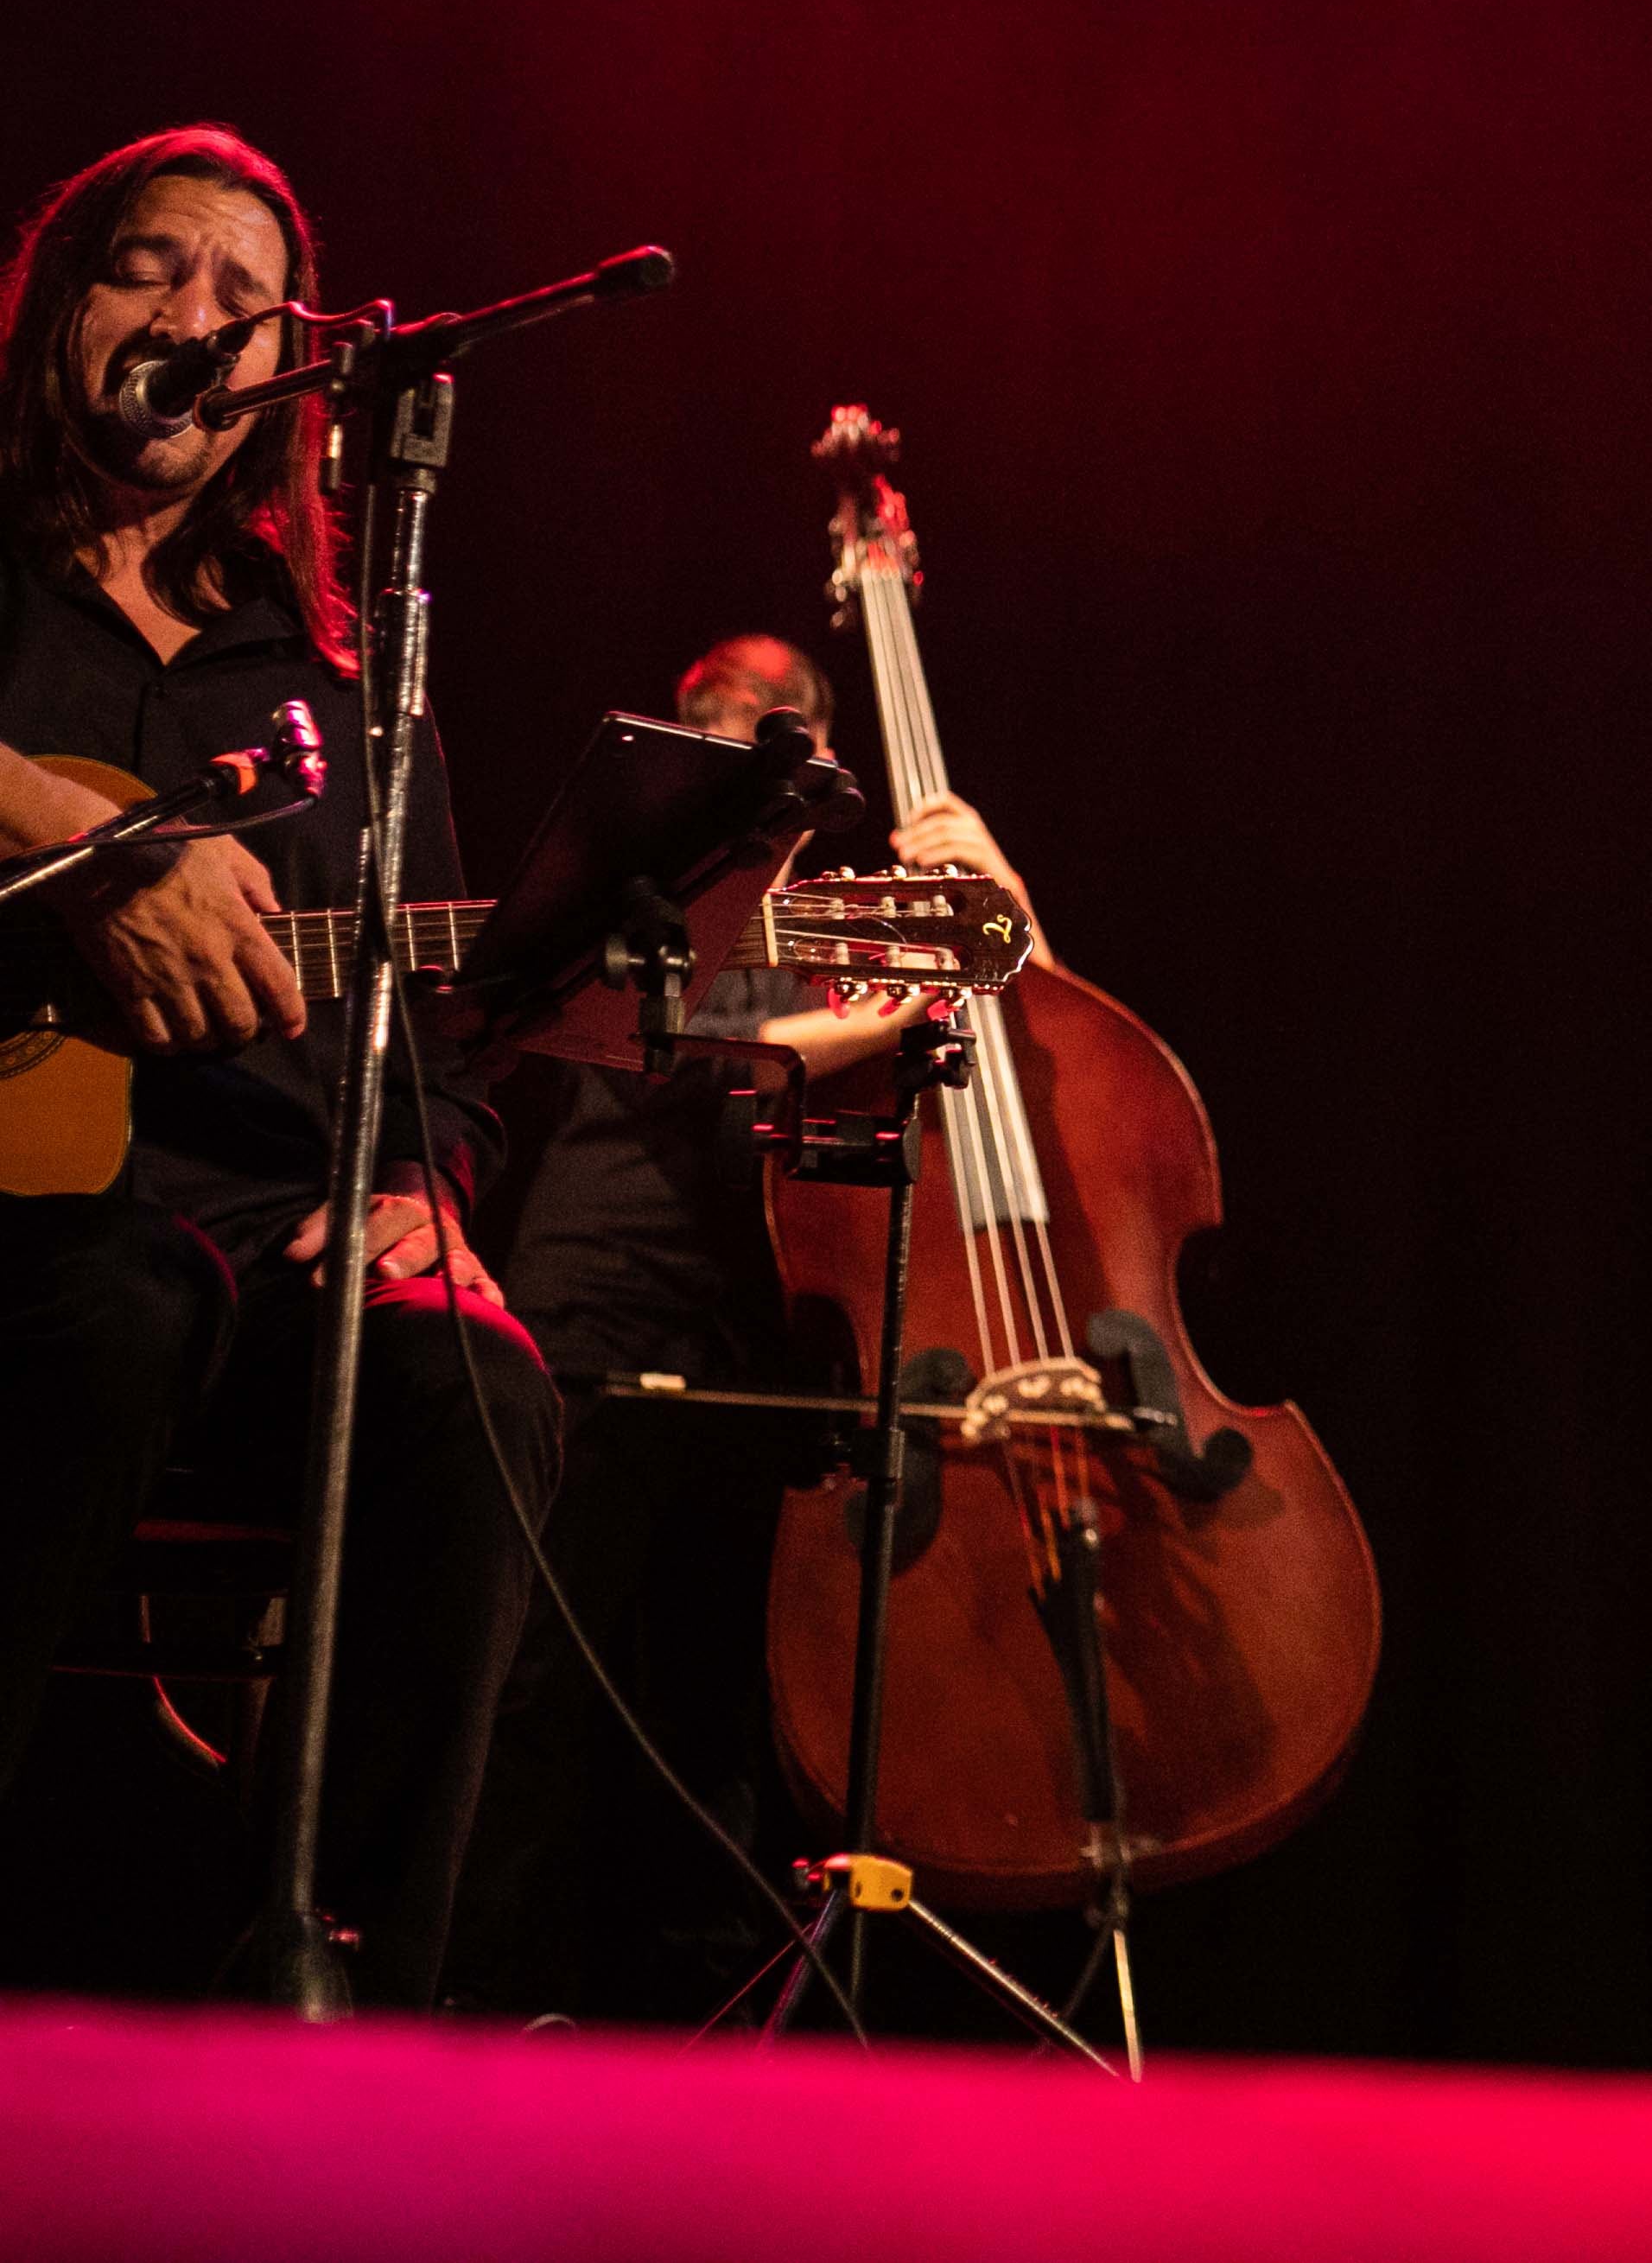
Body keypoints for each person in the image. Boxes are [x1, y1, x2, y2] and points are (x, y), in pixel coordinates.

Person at [0, 127, 558, 2005]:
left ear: (287, 379)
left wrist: (428, 1186)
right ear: (59, 305)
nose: (197, 316)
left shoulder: (335, 686)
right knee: (113, 1304)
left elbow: (440, 1038)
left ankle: (339, 2009)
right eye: (150, 266)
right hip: (51, 1250)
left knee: (478, 1386)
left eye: (247, 301)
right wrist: (98, 858)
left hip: (267, 1249)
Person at [448, 635, 1045, 2018]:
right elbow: (697, 1048)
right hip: (596, 1314)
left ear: (819, 752)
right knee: (540, 1679)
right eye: (714, 727)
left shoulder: (838, 919)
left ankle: (701, 2030)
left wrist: (1004, 909)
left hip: (762, 1342)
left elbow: (1021, 1027)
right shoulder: (644, 898)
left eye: (770, 726)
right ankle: (471, 2001)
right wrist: (897, 1011)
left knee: (718, 1704)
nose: (742, 747)